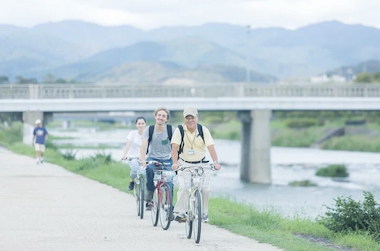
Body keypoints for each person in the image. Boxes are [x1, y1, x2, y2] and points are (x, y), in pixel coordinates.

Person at [171, 107, 221, 223]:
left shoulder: (203, 130)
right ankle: (180, 212)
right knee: (185, 187)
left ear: (197, 118)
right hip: (184, 164)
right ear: (184, 119)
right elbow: (174, 148)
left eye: (192, 117)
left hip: (201, 164)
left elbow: (210, 147)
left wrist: (215, 162)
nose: (190, 120)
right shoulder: (179, 130)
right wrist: (174, 163)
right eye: (187, 118)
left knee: (205, 189)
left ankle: (203, 213)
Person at [141, 107, 175, 210]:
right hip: (153, 157)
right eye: (159, 115)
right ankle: (150, 192)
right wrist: (143, 159)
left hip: (167, 159)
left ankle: (169, 204)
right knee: (149, 169)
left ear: (167, 119)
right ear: (155, 116)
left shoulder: (171, 130)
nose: (161, 117)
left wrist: (176, 161)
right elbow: (144, 145)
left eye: (163, 116)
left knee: (170, 181)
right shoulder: (149, 129)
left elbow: (176, 146)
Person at [122, 117, 146, 191]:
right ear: (136, 124)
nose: (141, 125)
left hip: (145, 158)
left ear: (145, 125)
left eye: (142, 123)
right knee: (135, 170)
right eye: (139, 123)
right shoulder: (132, 133)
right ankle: (132, 181)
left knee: (148, 173)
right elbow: (128, 144)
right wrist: (124, 155)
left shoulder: (147, 133)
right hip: (134, 157)